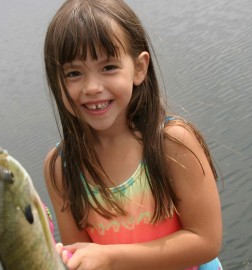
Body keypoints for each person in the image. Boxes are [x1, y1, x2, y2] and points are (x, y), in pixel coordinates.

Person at [43, 0, 223, 269]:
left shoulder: (173, 144)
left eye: (108, 67)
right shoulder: (61, 167)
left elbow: (206, 241)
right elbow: (80, 256)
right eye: (74, 73)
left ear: (139, 68)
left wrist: (112, 257)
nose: (92, 87)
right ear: (56, 81)